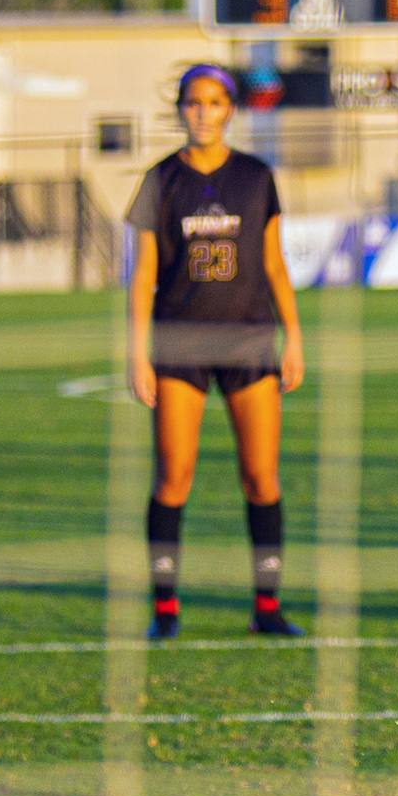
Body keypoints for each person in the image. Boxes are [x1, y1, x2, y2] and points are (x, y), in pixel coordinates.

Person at [126, 64, 305, 639]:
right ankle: (165, 609)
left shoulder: (256, 176)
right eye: (193, 103)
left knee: (261, 477)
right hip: (179, 342)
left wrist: (293, 336)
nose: (203, 112)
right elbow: (145, 273)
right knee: (174, 476)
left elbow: (274, 263)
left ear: (231, 110)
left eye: (214, 102)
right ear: (180, 109)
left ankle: (267, 608)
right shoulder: (159, 180)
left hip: (250, 339)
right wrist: (136, 352)